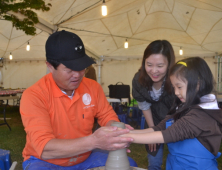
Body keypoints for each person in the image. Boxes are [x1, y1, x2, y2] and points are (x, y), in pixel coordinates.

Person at [20, 30, 137, 170]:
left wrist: (117, 131)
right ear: (50, 66)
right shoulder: (34, 95)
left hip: (85, 157)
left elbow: (107, 117)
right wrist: (94, 141)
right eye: (69, 69)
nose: (77, 75)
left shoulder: (93, 87)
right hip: (45, 161)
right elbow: (45, 149)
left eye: (82, 67)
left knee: (129, 166)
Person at [124, 57, 222, 170]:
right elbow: (159, 128)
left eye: (179, 87)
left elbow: (167, 135)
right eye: (174, 87)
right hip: (175, 164)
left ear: (198, 84)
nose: (176, 92)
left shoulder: (203, 114)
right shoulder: (183, 106)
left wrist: (125, 137)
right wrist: (130, 132)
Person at [132, 40, 175, 169]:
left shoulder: (176, 80)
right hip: (153, 121)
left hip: (176, 121)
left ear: (169, 64)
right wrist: (153, 131)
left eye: (160, 66)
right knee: (154, 161)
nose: (154, 71)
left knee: (179, 159)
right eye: (149, 64)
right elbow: (144, 105)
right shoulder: (138, 80)